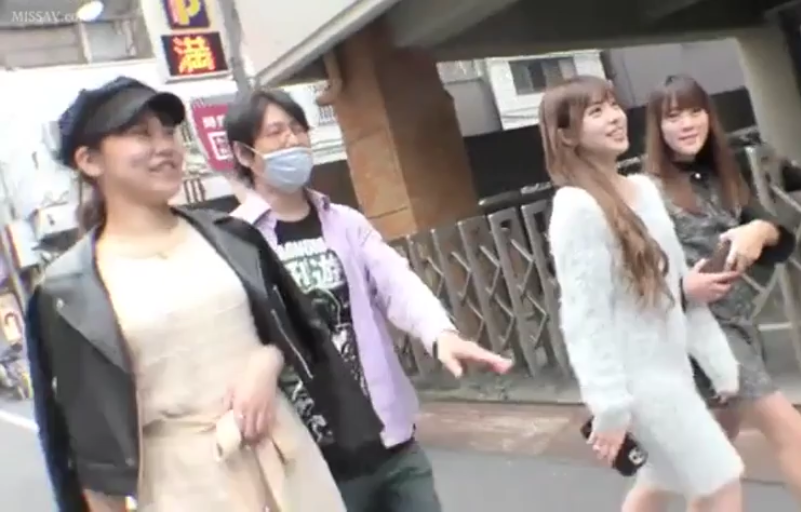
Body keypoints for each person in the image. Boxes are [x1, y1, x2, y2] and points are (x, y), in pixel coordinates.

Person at [25, 76, 383, 512]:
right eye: (141, 134)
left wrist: (267, 361)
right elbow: (90, 451)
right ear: (89, 160)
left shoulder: (231, 237)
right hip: (183, 488)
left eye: (169, 132)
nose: (165, 147)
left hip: (289, 466)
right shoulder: (70, 289)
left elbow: (293, 329)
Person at [224, 88, 514, 512]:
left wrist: (440, 333)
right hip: (311, 461)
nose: (293, 140)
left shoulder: (345, 223)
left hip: (391, 444)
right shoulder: (234, 241)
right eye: (276, 132)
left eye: (298, 128)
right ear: (244, 153)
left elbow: (396, 282)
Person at [636, 74, 801, 512]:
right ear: (658, 127)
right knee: (790, 432)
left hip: (739, 324)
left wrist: (758, 229)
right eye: (673, 116)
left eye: (695, 111)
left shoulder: (722, 176)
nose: (687, 124)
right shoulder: (645, 192)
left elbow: (780, 237)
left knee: (698, 456)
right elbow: (629, 279)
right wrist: (684, 288)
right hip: (699, 334)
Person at [541, 75, 744, 512]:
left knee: (664, 487)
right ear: (567, 135)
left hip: (672, 372)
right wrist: (610, 406)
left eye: (613, 105)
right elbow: (585, 317)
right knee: (721, 483)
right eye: (596, 112)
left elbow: (675, 289)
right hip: (640, 386)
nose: (615, 117)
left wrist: (717, 362)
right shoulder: (576, 208)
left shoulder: (645, 191)